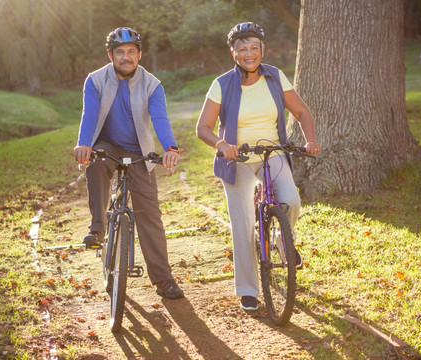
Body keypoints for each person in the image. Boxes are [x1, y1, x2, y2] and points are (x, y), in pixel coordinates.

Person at [195, 22, 321, 311]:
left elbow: (301, 111)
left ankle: (281, 241)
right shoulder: (222, 83)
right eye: (242, 49)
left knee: (290, 201)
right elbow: (203, 127)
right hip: (236, 159)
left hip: (272, 152)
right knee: (242, 224)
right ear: (233, 53)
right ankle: (248, 289)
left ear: (262, 50)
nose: (248, 53)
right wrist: (221, 144)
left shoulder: (275, 77)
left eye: (254, 47)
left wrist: (311, 140)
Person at [74, 27, 183, 299]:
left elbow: (160, 118)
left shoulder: (152, 84)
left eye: (131, 52)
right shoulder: (95, 80)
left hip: (139, 149)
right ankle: (98, 228)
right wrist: (84, 143)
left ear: (139, 54)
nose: (126, 57)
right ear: (111, 55)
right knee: (96, 167)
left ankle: (163, 280)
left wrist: (170, 147)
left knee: (150, 216)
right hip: (105, 144)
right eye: (120, 52)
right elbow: (89, 114)